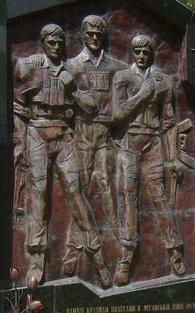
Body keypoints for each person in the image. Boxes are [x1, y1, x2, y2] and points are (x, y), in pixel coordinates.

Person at [13, 23, 112, 288]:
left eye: (60, 43)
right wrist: (21, 143)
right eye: (51, 43)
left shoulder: (72, 69)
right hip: (37, 134)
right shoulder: (30, 65)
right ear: (43, 43)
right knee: (39, 196)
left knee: (76, 195)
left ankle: (98, 258)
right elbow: (19, 108)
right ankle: (36, 259)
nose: (56, 48)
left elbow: (92, 107)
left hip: (64, 135)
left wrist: (74, 91)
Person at [111, 34, 185, 286]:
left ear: (152, 53)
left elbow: (169, 121)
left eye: (146, 52)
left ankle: (174, 251)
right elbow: (117, 114)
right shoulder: (122, 77)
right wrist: (142, 95)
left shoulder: (164, 81)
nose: (142, 56)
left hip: (153, 142)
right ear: (132, 53)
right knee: (128, 198)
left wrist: (173, 157)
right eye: (137, 52)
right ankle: (126, 257)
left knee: (160, 197)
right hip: (129, 142)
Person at [62, 15, 125, 276]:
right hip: (82, 134)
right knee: (81, 190)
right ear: (83, 35)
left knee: (106, 186)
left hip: (105, 133)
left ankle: (116, 246)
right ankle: (73, 250)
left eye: (99, 34)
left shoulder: (116, 67)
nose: (95, 38)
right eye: (90, 34)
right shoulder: (71, 65)